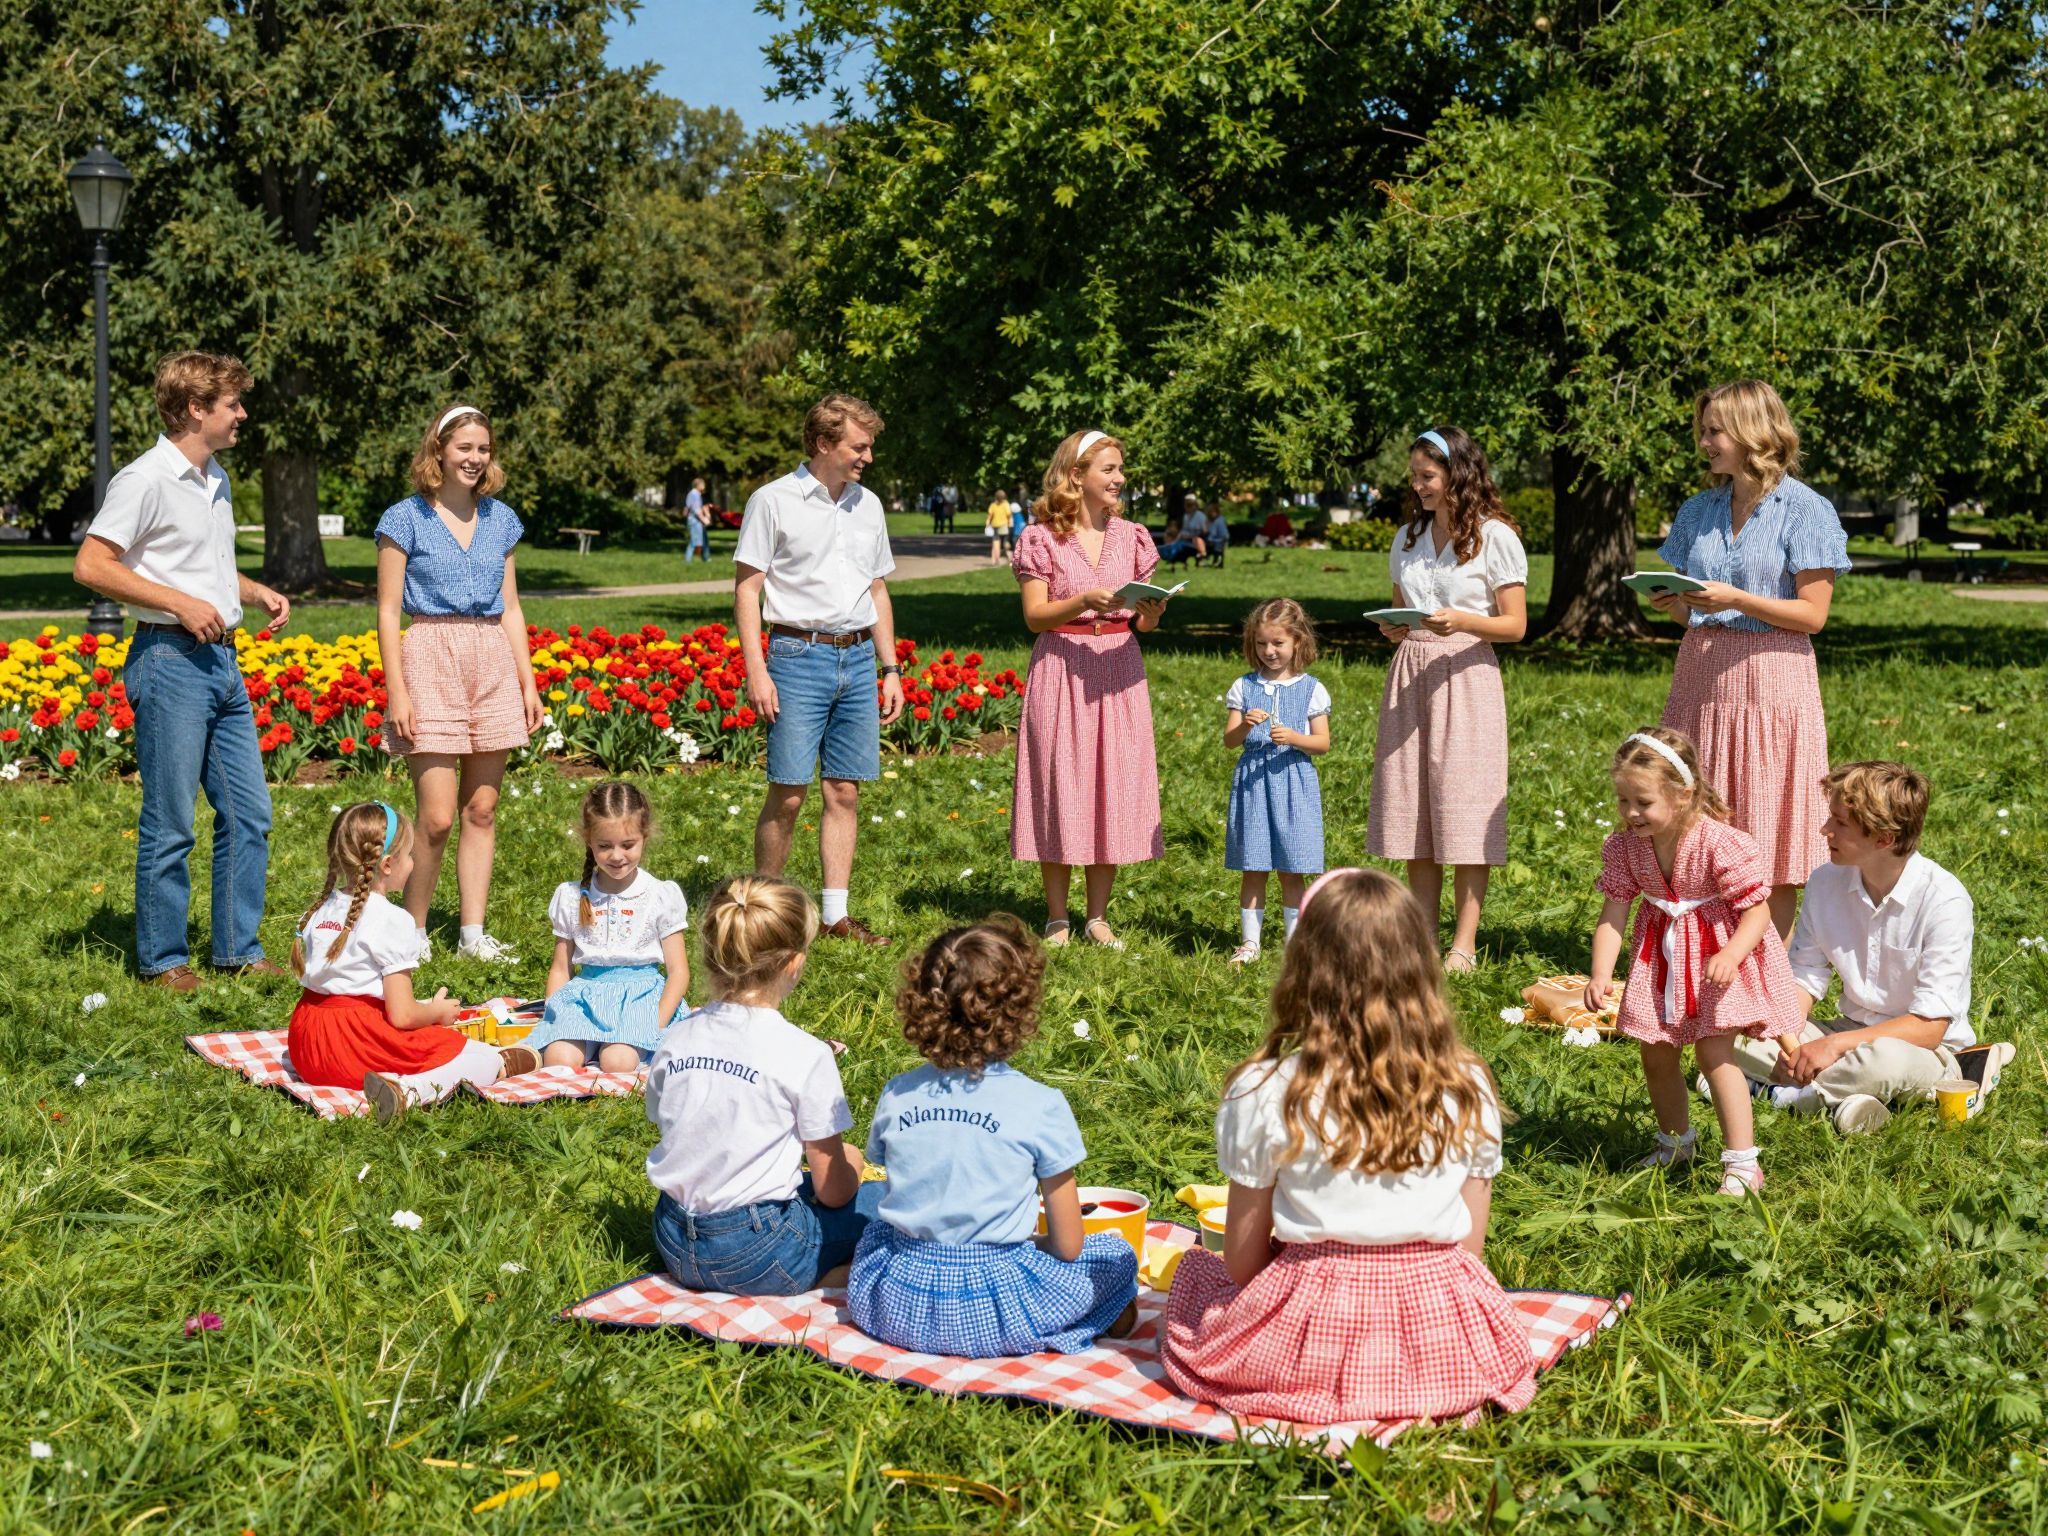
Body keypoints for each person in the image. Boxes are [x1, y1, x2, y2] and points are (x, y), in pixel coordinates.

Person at [1160, 867, 1535, 1424]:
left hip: (1313, 1321)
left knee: (1197, 1279)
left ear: (1303, 969)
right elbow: (1471, 1249)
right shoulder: (1467, 1082)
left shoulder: (1266, 1088)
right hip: (1440, 1325)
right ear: (1422, 968)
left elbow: (1242, 1262)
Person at [73, 351, 291, 991]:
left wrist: (253, 592)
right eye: (232, 404)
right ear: (195, 409)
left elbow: (203, 566)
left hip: (222, 663)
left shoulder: (214, 477)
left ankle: (236, 950)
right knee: (171, 822)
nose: (242, 414)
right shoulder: (145, 479)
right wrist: (178, 604)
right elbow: (91, 565)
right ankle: (163, 959)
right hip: (169, 661)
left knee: (249, 813)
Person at [847, 917, 1139, 1354]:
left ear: (921, 1005)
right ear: (1019, 1011)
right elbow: (1069, 1245)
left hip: (896, 1301)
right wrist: (1030, 1246)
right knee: (1114, 1256)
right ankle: (1107, 1312)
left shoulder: (897, 1093)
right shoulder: (1040, 1104)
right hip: (995, 1306)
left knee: (874, 1229)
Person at [1652, 380, 1851, 938]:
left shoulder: (1806, 510)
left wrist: (1736, 599)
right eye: (1703, 431)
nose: (1704, 443)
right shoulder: (1699, 509)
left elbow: (1813, 615)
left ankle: (1769, 972)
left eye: (1715, 431)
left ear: (1751, 433)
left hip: (1771, 683)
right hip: (1701, 680)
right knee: (1697, 828)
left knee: (1769, 834)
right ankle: (1698, 959)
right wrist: (1674, 602)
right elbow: (1695, 611)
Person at [1733, 761, 2011, 1133]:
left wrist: (1834, 1048)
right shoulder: (1825, 881)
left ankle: (1780, 1095)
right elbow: (1805, 975)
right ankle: (1844, 1101)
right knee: (1735, 1035)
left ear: (1883, 839)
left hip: (1920, 1049)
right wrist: (1790, 1039)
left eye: (1840, 823)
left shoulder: (1944, 900)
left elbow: (1929, 1028)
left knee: (1885, 1062)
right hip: (1845, 1030)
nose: (1825, 830)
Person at [1585, 728, 1805, 1195]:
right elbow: (1614, 911)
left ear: (1682, 796)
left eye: (1642, 802)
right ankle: (1676, 1141)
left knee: (1713, 1053)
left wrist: (1731, 953)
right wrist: (1601, 972)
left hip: (1719, 959)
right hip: (1662, 959)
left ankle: (1743, 1162)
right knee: (1655, 1051)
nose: (1630, 812)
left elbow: (1757, 911)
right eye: (1623, 800)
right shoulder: (1626, 847)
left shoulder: (1718, 842)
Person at [646, 877, 882, 1294]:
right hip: (758, 1248)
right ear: (794, 963)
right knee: (884, 1201)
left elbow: (664, 1118)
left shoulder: (676, 1036)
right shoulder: (805, 1053)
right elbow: (833, 1192)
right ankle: (824, 1277)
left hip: (673, 1238)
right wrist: (852, 1162)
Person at [735, 393, 905, 943]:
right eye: (859, 446)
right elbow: (748, 589)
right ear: (824, 443)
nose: (868, 457)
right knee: (788, 793)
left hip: (856, 657)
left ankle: (834, 916)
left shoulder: (868, 505)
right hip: (795, 657)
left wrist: (891, 668)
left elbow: (877, 589)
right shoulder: (772, 501)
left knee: (844, 792)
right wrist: (756, 670)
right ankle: (765, 912)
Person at [374, 405, 541, 964]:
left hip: (491, 657)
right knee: (437, 816)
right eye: (464, 448)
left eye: (483, 449)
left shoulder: (502, 520)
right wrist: (397, 689)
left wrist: (527, 682)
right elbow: (388, 610)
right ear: (439, 450)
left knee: (482, 809)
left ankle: (472, 934)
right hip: (430, 656)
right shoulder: (404, 519)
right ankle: (414, 931)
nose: (474, 458)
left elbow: (511, 607)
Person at [1366, 427, 1528, 972]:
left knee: (1463, 805)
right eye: (1414, 476)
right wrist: (1394, 628)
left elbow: (1515, 625)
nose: (1418, 485)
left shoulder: (1494, 537)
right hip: (1411, 671)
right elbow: (1401, 606)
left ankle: (1464, 943)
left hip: (1466, 672)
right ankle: (1422, 936)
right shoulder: (1408, 537)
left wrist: (1461, 620)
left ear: (1457, 474)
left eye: (1427, 476)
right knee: (1416, 809)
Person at [1009, 430, 1171, 949]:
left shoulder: (1133, 536)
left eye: (1121, 469)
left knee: (1110, 785)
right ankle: (1058, 917)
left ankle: (1097, 917)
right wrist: (1082, 601)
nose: (1120, 478)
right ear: (1077, 475)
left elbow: (1143, 625)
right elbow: (1035, 617)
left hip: (1119, 664)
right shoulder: (1042, 538)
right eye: (1109, 469)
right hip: (1062, 663)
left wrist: (1152, 614)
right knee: (1060, 783)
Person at [287, 801, 538, 1124]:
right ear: (388, 865)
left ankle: (489, 1063)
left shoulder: (322, 908)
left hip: (308, 1044)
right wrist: (437, 1013)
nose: (412, 863)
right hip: (353, 1043)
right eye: (409, 855)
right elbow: (403, 1015)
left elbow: (356, 987)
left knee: (453, 1044)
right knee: (470, 1055)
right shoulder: (392, 919)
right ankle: (407, 1092)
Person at [522, 781, 691, 1074]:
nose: (616, 855)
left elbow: (679, 972)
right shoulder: (571, 895)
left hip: (640, 1000)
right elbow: (561, 968)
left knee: (617, 1061)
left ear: (645, 836)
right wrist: (555, 1016)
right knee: (559, 1058)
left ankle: (620, 1050)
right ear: (589, 840)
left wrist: (656, 1024)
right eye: (604, 846)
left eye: (627, 845)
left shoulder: (660, 895)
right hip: (585, 999)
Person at [1223, 599, 1331, 965]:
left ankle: (1294, 944)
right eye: (1261, 644)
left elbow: (1323, 743)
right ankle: (1249, 943)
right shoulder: (1243, 686)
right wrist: (1245, 725)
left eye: (1277, 643)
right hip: (1253, 785)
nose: (1269, 651)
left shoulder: (1312, 689)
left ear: (1297, 641)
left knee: (1291, 866)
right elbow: (1229, 741)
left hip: (1294, 783)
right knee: (1253, 866)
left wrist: (1296, 738)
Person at [683, 477, 711, 565]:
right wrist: (704, 520)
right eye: (703, 484)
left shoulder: (697, 494)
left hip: (698, 521)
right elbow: (696, 510)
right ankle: (687, 561)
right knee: (694, 541)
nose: (704, 485)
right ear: (698, 485)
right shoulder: (693, 494)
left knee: (704, 540)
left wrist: (706, 515)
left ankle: (706, 558)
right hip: (695, 521)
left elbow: (701, 507)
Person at [984, 488, 1013, 565]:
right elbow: (1009, 515)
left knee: (996, 543)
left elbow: (989, 516)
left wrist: (987, 524)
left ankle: (995, 560)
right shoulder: (1006, 504)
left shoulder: (993, 505)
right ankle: (1009, 558)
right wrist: (1010, 525)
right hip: (1004, 526)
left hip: (995, 526)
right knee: (1005, 543)